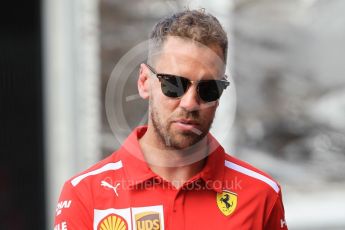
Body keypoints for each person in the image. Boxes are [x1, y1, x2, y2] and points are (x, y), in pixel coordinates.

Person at [54, 9, 288, 230]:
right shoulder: (86, 195)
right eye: (174, 84)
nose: (190, 103)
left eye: (208, 89)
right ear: (145, 82)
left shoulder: (261, 194)